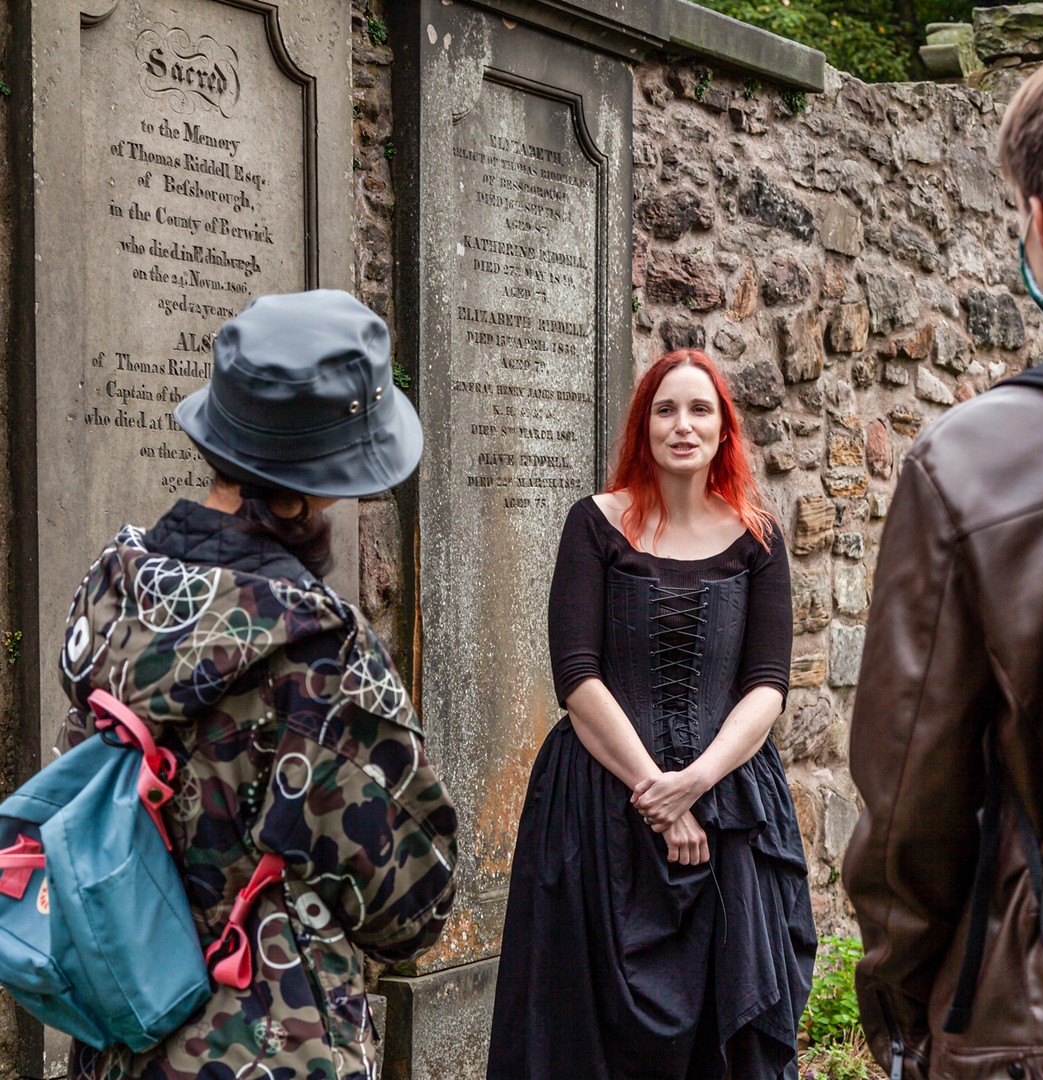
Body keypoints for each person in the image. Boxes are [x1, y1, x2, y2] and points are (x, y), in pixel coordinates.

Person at [58, 290, 457, 1080]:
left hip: (119, 1033)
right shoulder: (321, 655)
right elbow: (412, 904)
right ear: (310, 484)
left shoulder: (111, 595)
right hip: (272, 1046)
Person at [842, 45, 1043, 1080]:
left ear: (1042, 223)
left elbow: (911, 811)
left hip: (1042, 1014)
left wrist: (903, 1008)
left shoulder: (973, 466)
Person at [487, 348, 816, 1080]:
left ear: (724, 429)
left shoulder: (758, 538)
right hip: (597, 809)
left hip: (728, 809)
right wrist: (659, 799)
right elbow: (577, 677)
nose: (683, 425)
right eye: (666, 409)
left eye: (700, 410)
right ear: (644, 425)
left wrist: (695, 782)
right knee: (586, 1036)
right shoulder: (593, 524)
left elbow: (767, 686)